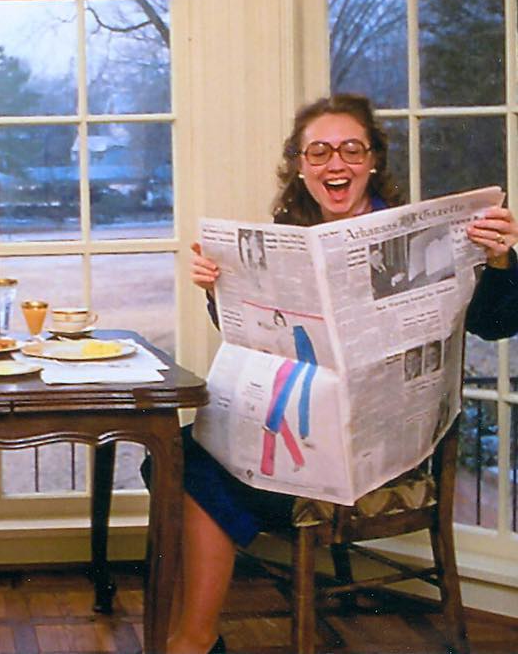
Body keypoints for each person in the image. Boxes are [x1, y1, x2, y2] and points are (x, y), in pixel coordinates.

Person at [171, 93, 518, 654]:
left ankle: (193, 638)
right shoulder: (289, 235)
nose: (337, 164)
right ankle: (195, 634)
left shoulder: (417, 234)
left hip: (387, 448)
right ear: (301, 166)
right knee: (179, 454)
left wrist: (500, 260)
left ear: (373, 160)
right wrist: (220, 291)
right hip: (307, 429)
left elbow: (497, 325)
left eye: (352, 150)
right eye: (320, 152)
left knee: (198, 469)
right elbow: (258, 341)